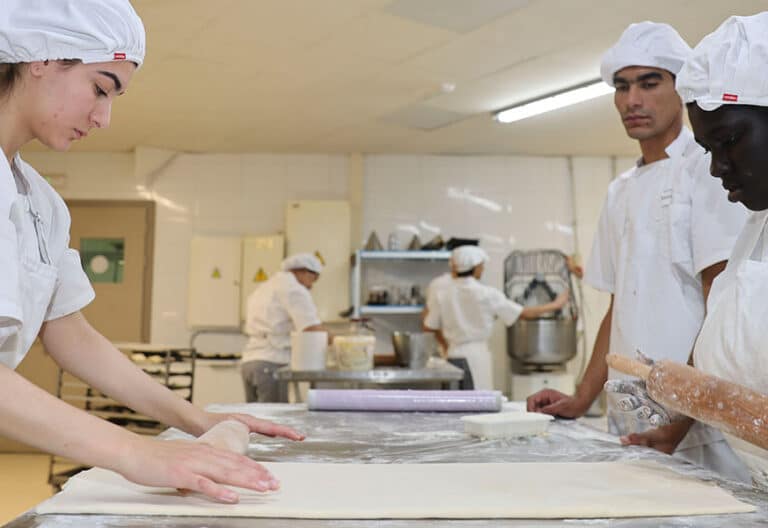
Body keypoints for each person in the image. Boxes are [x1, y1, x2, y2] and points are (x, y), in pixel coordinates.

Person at [0, 0, 303, 504]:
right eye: (100, 88)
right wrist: (135, 452)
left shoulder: (40, 201)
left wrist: (198, 419)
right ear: (42, 58)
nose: (104, 118)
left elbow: (69, 331)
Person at [526, 21, 750, 482]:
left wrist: (679, 418)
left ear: (680, 87)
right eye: (622, 87)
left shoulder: (708, 172)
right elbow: (617, 310)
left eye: (650, 83)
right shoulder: (620, 190)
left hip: (698, 431)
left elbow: (721, 311)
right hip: (632, 417)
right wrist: (582, 398)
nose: (632, 100)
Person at [618, 12, 768, 488]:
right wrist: (674, 426)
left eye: (729, 140)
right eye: (706, 149)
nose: (718, 167)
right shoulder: (755, 233)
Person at [424, 246, 568, 390]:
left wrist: (445, 344)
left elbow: (430, 325)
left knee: (453, 403)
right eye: (482, 266)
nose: (483, 269)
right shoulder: (487, 294)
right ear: (476, 268)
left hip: (452, 354)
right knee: (479, 402)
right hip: (477, 356)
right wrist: (555, 305)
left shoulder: (442, 293)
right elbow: (523, 313)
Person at [241, 253, 330, 402]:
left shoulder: (265, 287)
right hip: (271, 364)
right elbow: (312, 329)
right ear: (303, 271)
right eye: (313, 279)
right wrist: (343, 342)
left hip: (250, 363)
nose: (311, 286)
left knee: (255, 419)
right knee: (274, 421)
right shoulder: (293, 289)